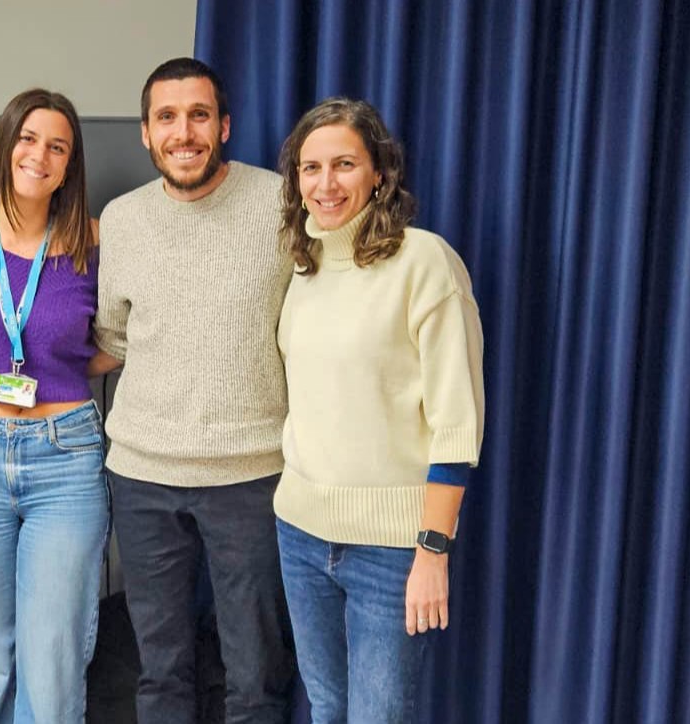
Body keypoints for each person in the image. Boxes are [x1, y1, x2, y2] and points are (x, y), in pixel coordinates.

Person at [95, 57, 296, 724]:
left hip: (251, 477)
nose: (184, 133)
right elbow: (114, 335)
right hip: (143, 478)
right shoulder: (121, 220)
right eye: (167, 118)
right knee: (160, 672)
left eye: (199, 116)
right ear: (147, 133)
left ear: (225, 126)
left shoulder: (281, 204)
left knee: (256, 674)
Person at [273, 97, 485, 723]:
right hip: (299, 533)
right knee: (326, 711)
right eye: (311, 168)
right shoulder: (304, 268)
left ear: (379, 174)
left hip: (392, 550)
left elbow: (456, 423)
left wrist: (433, 551)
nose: (326, 184)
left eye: (344, 164)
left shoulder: (425, 262)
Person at [0, 88, 116, 723]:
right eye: (29, 139)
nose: (40, 155)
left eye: (57, 147)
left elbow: (120, 337)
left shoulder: (94, 243)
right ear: (5, 145)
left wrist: (61, 369)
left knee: (51, 657)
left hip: (64, 458)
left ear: (70, 165)